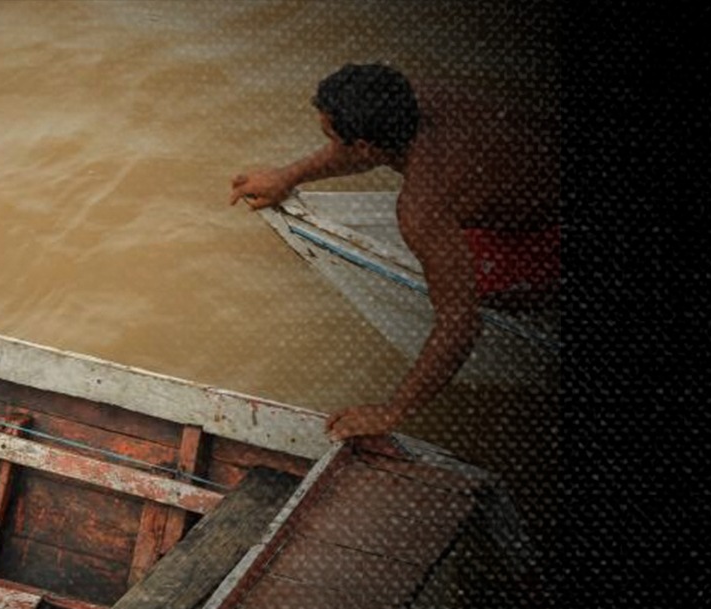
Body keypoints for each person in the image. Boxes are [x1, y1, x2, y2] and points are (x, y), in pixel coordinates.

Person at [228, 62, 558, 444]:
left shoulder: (423, 206)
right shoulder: (415, 93)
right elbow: (357, 151)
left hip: (550, 231)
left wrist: (392, 412)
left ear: (365, 147)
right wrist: (288, 176)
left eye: (332, 138)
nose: (330, 145)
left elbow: (461, 323)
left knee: (485, 294)